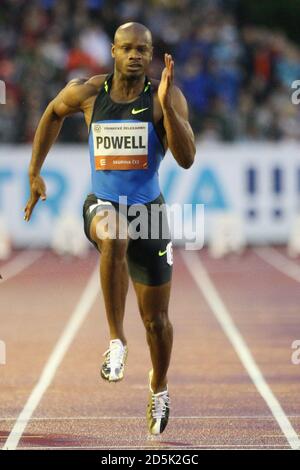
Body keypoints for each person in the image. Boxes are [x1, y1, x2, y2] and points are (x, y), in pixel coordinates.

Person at [24, 22, 195, 435]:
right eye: (128, 48)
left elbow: (187, 158)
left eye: (144, 50)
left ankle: (159, 386)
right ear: (114, 52)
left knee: (157, 321)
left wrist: (168, 107)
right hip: (101, 204)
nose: (136, 55)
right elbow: (52, 113)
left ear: (151, 56)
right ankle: (116, 342)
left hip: (149, 212)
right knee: (114, 234)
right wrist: (35, 172)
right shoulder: (87, 92)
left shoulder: (164, 96)